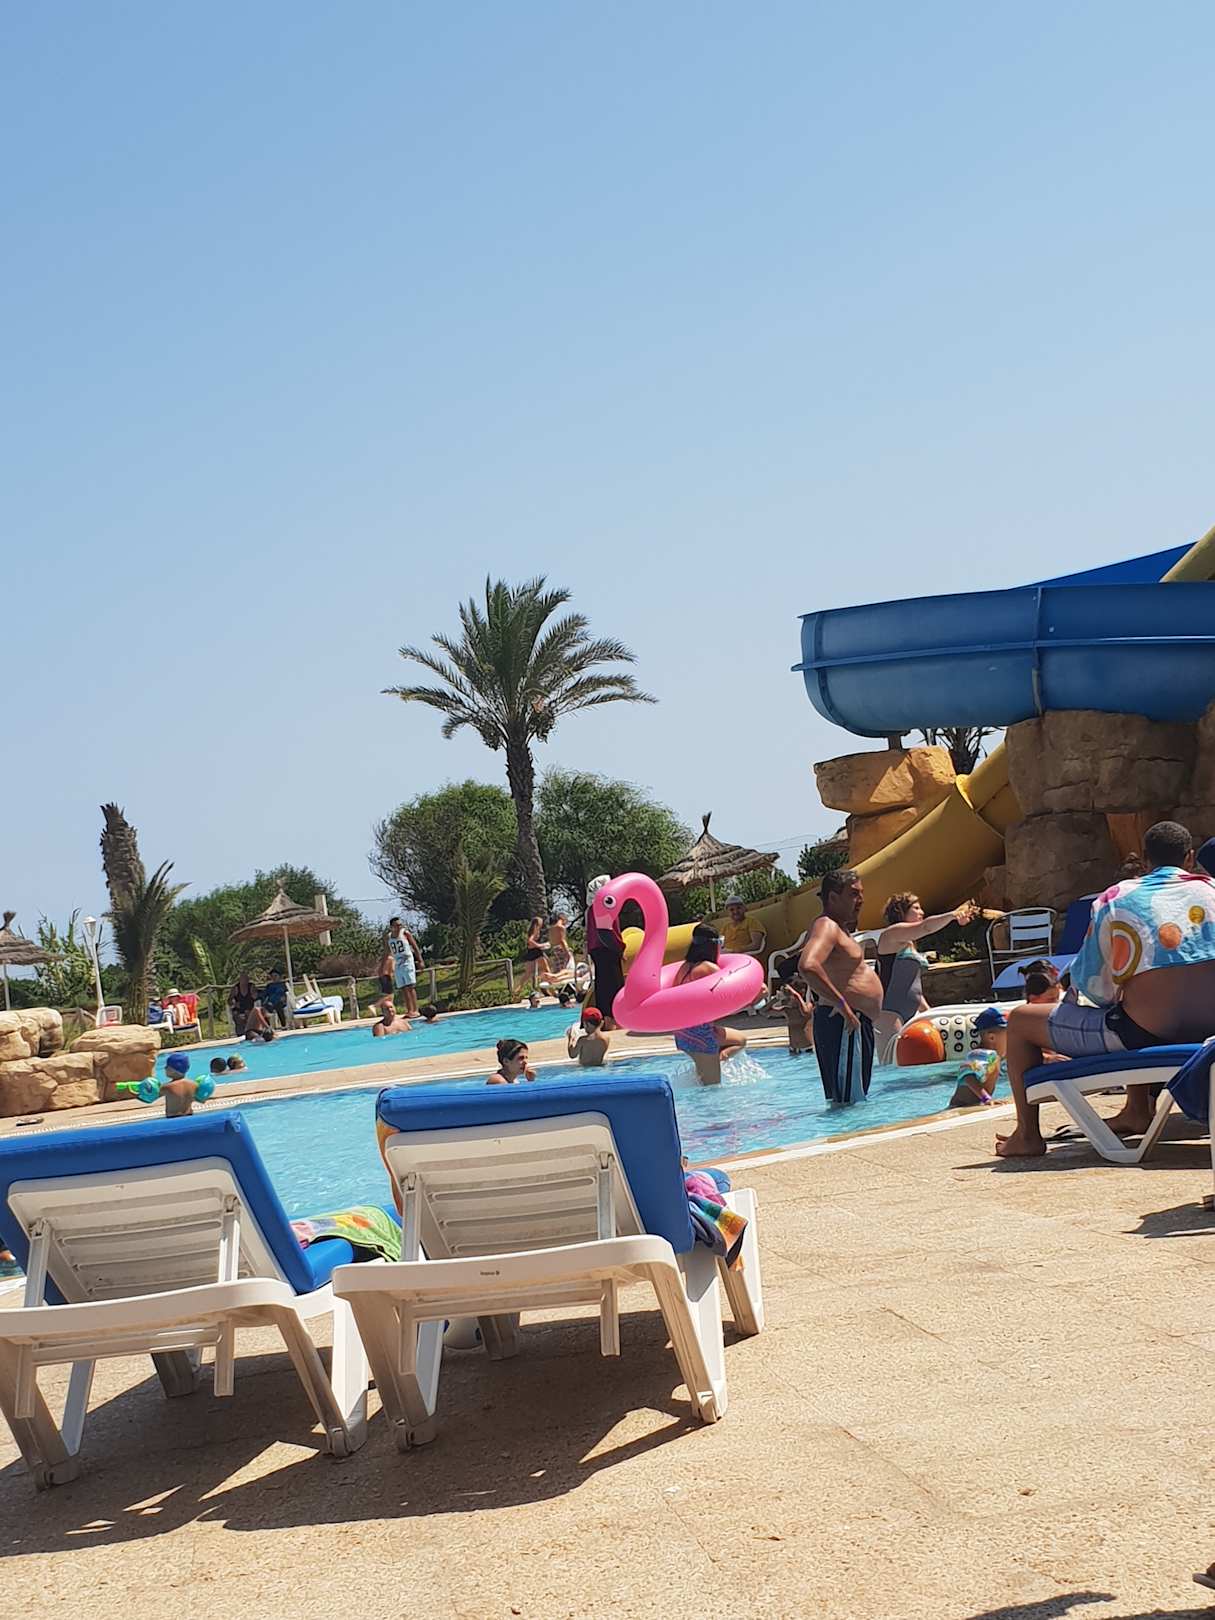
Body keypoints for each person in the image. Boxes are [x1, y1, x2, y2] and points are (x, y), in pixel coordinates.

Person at [997, 821, 1215, 1157]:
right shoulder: (1212, 891)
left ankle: (1027, 1135)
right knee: (1130, 1002)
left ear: (1145, 861)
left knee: (1021, 1020)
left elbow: (1094, 988)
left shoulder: (1118, 898)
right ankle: (1136, 1109)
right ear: (1189, 858)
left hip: (1145, 1034)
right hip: (1210, 1030)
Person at [799, 869, 883, 1105]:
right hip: (843, 1023)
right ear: (833, 897)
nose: (861, 900)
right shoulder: (826, 926)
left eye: (861, 893)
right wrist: (844, 1006)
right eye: (853, 894)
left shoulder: (839, 928)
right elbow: (808, 965)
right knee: (849, 1105)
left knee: (852, 1101)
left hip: (850, 1023)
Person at [875, 894, 977, 1049]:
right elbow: (925, 927)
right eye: (916, 908)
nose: (921, 912)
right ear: (901, 911)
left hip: (912, 1013)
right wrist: (953, 915)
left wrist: (928, 1012)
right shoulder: (891, 935)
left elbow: (912, 986)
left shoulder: (909, 943)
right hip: (889, 1013)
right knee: (890, 1061)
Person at [671, 923, 748, 1086]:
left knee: (739, 1040)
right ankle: (708, 1067)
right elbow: (729, 998)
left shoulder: (684, 967)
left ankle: (710, 1065)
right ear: (714, 945)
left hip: (683, 1032)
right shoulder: (709, 968)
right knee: (712, 1088)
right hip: (701, 1037)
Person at [585, 875, 625, 1030]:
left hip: (596, 950)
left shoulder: (590, 909)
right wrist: (619, 948)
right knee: (614, 985)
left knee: (602, 985)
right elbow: (607, 931)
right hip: (607, 949)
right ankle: (613, 1020)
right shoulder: (604, 905)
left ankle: (606, 1020)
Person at [948, 1008, 1008, 1108]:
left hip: (970, 1103)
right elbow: (968, 1076)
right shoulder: (981, 1054)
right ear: (991, 1038)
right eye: (1007, 1037)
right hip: (960, 1105)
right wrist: (986, 1098)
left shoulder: (993, 1056)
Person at [387, 917, 423, 1018]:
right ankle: (409, 1010)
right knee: (403, 988)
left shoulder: (405, 933)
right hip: (397, 964)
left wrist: (420, 960)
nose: (399, 927)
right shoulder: (389, 937)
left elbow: (415, 947)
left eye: (400, 925)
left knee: (410, 986)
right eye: (396, 925)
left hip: (407, 962)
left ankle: (415, 1010)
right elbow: (387, 951)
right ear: (391, 927)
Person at [162, 1052, 203, 1117]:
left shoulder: (167, 1087)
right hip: (189, 1116)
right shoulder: (194, 1084)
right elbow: (202, 1100)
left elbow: (150, 1098)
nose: (165, 1068)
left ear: (174, 1069)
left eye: (167, 1066)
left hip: (173, 1118)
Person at [523, 916, 550, 988]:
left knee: (528, 974)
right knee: (546, 969)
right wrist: (540, 945)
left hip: (532, 952)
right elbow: (530, 941)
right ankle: (549, 986)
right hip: (536, 952)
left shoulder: (533, 930)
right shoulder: (535, 930)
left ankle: (516, 991)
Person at [545, 913, 573, 981]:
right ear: (563, 919)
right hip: (562, 949)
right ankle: (557, 978)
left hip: (555, 949)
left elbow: (551, 941)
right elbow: (562, 941)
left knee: (558, 967)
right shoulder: (561, 928)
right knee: (568, 968)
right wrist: (567, 952)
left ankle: (554, 979)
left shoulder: (551, 929)